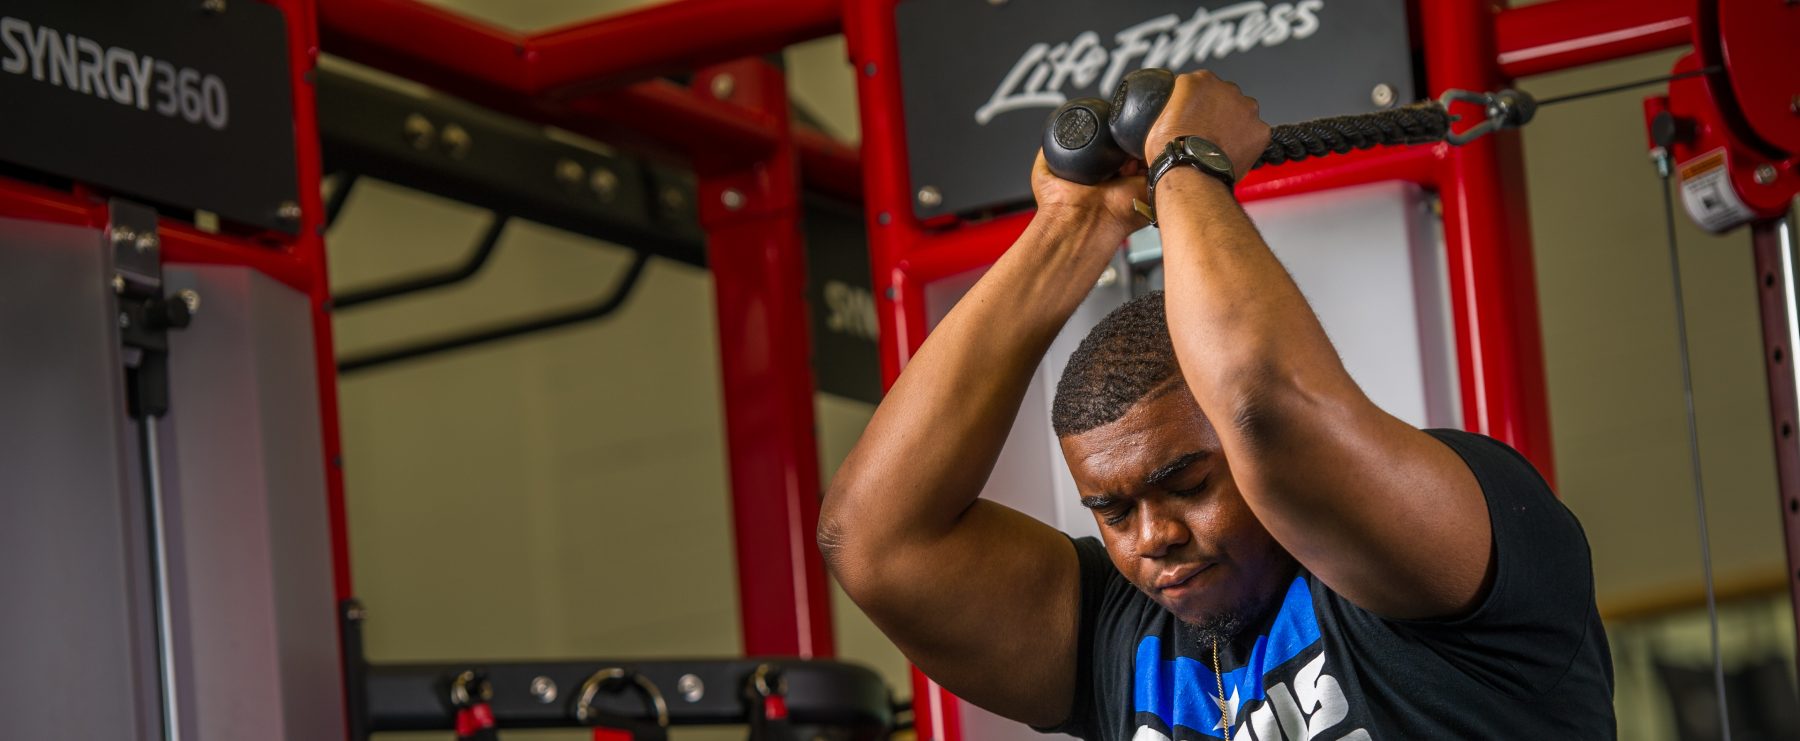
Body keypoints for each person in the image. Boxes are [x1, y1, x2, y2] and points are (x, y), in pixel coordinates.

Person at [817, 70, 1614, 740]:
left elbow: (1265, 405)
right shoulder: (1118, 638)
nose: (1154, 538)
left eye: (1190, 484)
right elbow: (873, 539)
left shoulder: (1429, 546)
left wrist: (1186, 165)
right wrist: (1071, 228)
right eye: (1113, 512)